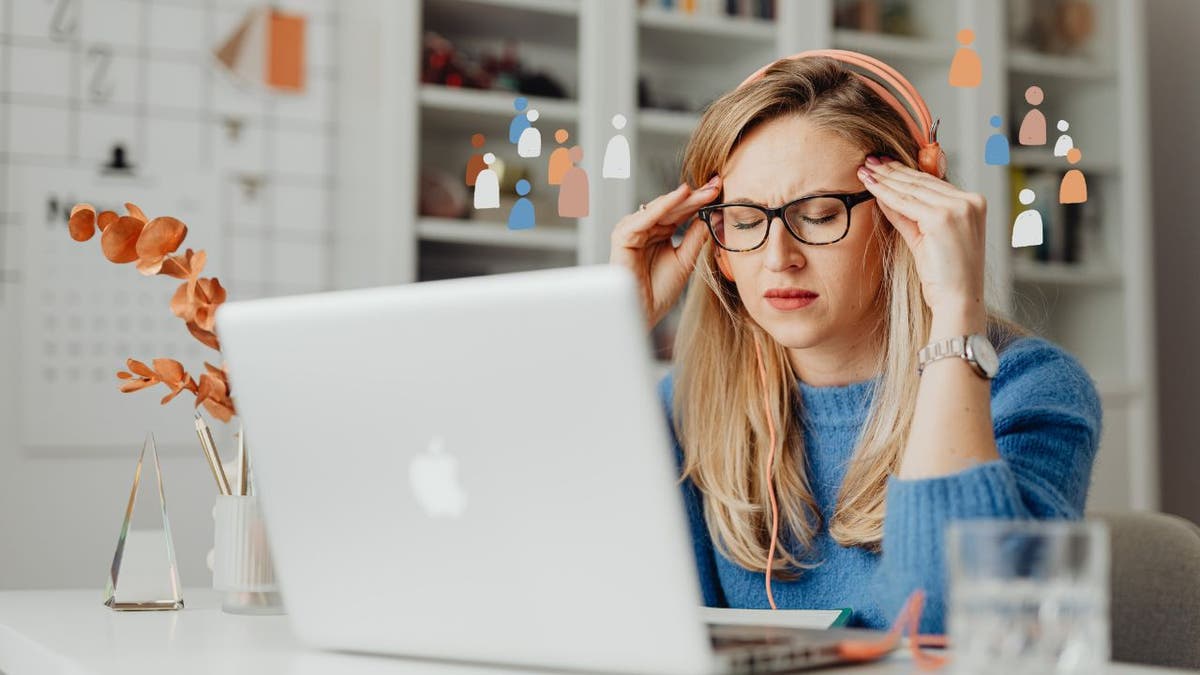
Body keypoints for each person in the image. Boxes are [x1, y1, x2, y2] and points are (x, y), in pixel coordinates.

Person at [608, 54, 1101, 634]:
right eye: (744, 222)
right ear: (715, 244)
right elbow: (615, 612)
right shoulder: (688, 407)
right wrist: (612, 332)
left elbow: (948, 630)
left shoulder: (1029, 391)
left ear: (906, 217)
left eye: (818, 215)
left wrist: (954, 317)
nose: (778, 258)